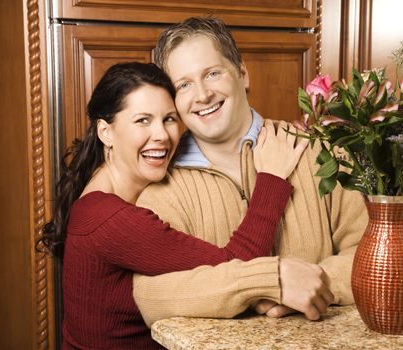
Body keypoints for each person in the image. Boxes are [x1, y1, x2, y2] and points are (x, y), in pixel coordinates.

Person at [40, 61, 310, 349]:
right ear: (105, 132)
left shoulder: (99, 197)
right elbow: (236, 266)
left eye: (169, 119)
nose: (162, 135)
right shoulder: (113, 220)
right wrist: (272, 178)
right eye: (143, 120)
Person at [133, 16, 368, 327]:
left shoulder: (318, 151)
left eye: (213, 73)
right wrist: (269, 281)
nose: (202, 95)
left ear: (242, 74)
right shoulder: (163, 188)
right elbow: (150, 295)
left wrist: (315, 284)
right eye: (184, 84)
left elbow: (374, 254)